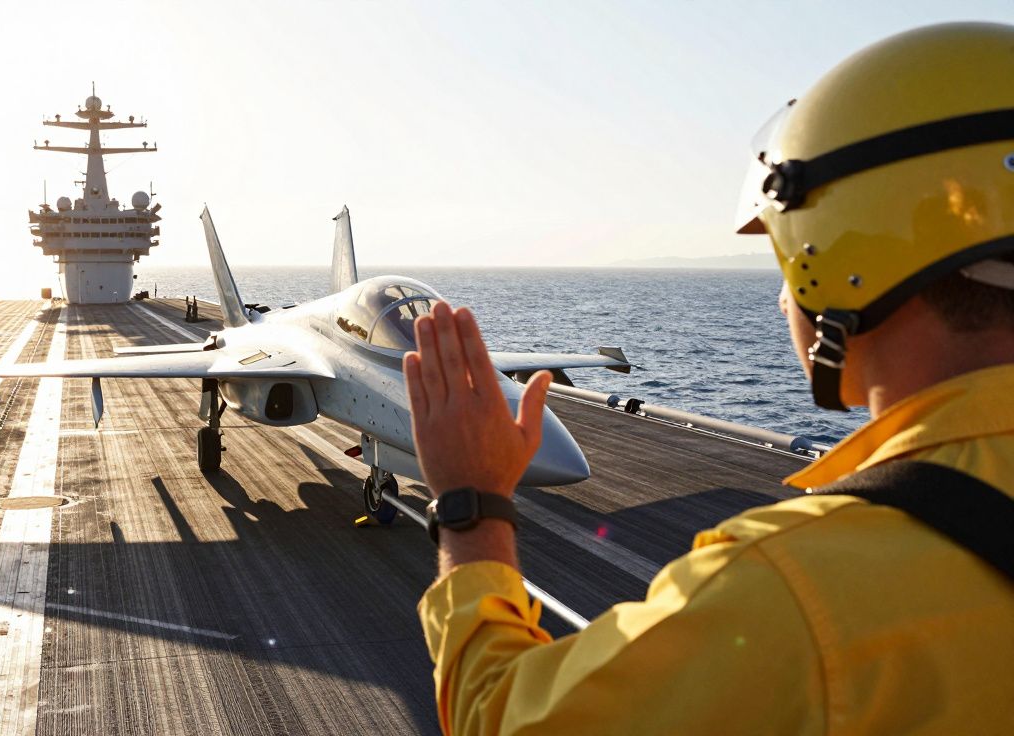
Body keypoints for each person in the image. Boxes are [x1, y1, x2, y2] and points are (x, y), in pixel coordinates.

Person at [404, 22, 1014, 735]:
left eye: (785, 261)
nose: (785, 296)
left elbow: (498, 716)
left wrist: (470, 503)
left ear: (839, 258)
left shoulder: (793, 589)